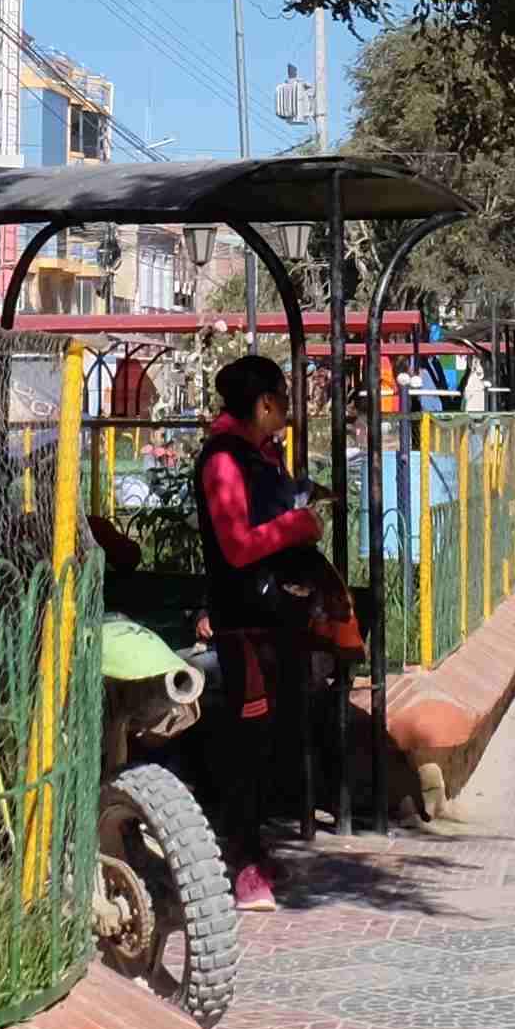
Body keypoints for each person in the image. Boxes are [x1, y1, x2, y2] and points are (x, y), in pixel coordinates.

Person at [189, 354, 327, 909]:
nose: (290, 409)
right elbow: (238, 546)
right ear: (264, 403)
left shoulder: (261, 454)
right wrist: (298, 524)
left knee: (269, 738)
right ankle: (242, 864)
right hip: (243, 620)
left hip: (275, 617)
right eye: (284, 399)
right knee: (247, 743)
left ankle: (255, 849)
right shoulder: (223, 460)